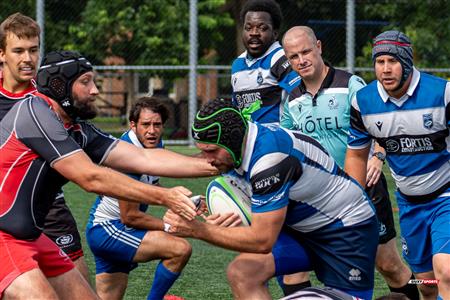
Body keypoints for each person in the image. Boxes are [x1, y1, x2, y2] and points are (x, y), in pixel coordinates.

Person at [0, 50, 218, 299]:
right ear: (59, 85)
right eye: (85, 82)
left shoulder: (77, 129)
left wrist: (216, 163)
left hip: (30, 237)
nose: (94, 90)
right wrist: (165, 196)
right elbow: (91, 177)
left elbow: (143, 158)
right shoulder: (34, 112)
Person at [164, 97, 378, 300]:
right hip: (300, 229)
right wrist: (193, 201)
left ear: (232, 140)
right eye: (203, 152)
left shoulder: (270, 160)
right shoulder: (241, 145)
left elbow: (262, 240)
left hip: (346, 230)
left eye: (211, 151)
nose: (207, 160)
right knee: (243, 273)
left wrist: (196, 229)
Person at [280, 26, 419, 300]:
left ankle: (420, 292)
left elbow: (381, 122)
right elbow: (288, 145)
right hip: (316, 196)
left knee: (389, 266)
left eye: (306, 51)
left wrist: (378, 157)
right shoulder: (291, 100)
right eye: (294, 56)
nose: (301, 60)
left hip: (363, 190)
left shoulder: (351, 85)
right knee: (293, 270)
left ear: (319, 47)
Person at [344, 30, 450, 300]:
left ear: (407, 62)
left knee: (446, 271)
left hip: (445, 196)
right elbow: (356, 156)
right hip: (409, 203)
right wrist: (349, 204)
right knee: (427, 283)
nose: (386, 69)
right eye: (380, 62)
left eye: (393, 61)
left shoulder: (442, 93)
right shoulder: (363, 102)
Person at [0, 12, 91, 281]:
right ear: (2, 54)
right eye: (18, 50)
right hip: (6, 208)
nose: (28, 59)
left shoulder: (47, 98)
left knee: (80, 283)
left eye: (33, 50)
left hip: (49, 204)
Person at [86, 97, 190, 300]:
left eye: (157, 124)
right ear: (133, 125)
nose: (152, 131)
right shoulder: (128, 156)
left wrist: (181, 199)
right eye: (145, 125)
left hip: (109, 229)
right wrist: (170, 227)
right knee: (180, 249)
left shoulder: (154, 143)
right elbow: (130, 217)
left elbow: (151, 186)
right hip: (110, 230)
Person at [231, 0, 300, 125]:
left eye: (262, 28)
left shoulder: (280, 58)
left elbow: (301, 96)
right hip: (248, 138)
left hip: (277, 137)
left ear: (274, 33)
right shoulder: (237, 64)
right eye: (248, 28)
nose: (254, 33)